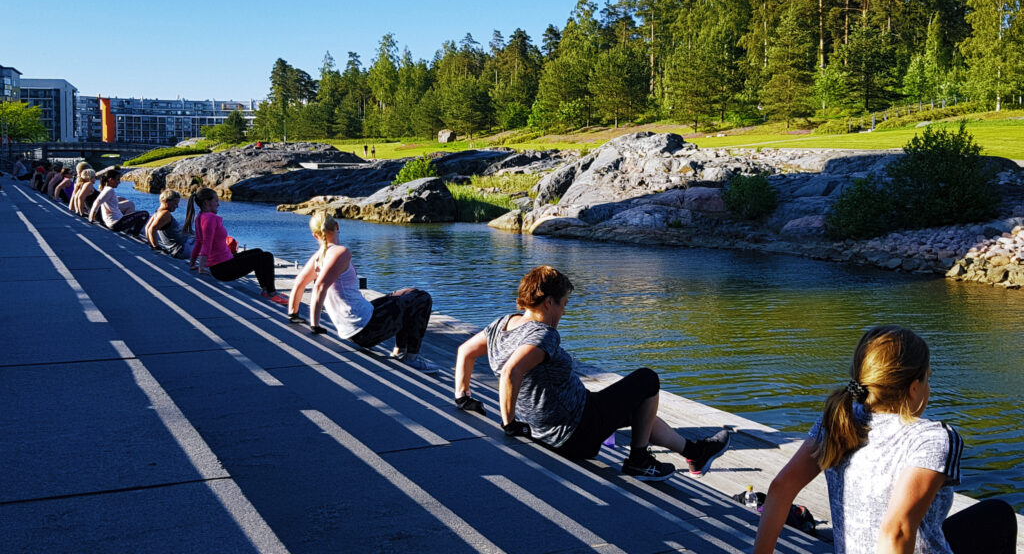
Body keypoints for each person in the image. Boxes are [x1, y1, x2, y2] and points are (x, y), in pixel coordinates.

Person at [753, 326, 1017, 554]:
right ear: (914, 388)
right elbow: (896, 531)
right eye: (928, 378)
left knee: (995, 514)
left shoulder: (836, 419)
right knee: (999, 517)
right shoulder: (933, 438)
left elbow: (780, 488)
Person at [454, 265, 731, 482]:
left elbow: (465, 352)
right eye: (563, 303)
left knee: (638, 409)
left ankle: (695, 454)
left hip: (558, 422)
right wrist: (509, 424)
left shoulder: (502, 326)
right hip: (574, 432)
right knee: (647, 379)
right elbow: (512, 371)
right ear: (548, 302)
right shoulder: (543, 334)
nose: (564, 311)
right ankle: (639, 461)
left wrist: (463, 396)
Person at [287, 212, 439, 373]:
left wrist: (293, 314)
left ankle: (399, 352)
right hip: (365, 330)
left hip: (359, 324)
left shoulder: (319, 257)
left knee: (409, 293)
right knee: (422, 298)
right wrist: (315, 325)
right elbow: (319, 287)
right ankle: (412, 357)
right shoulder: (341, 252)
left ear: (315, 236)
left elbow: (299, 284)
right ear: (337, 226)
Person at [183, 187, 288, 305]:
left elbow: (199, 242)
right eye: (216, 201)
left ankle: (266, 289)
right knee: (266, 256)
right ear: (206, 203)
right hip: (223, 269)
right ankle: (271, 293)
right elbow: (205, 244)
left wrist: (192, 262)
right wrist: (201, 267)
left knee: (258, 252)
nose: (218, 204)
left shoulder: (200, 217)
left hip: (224, 263)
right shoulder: (210, 218)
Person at [88, 169, 149, 235]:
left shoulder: (106, 189)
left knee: (135, 210)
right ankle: (135, 234)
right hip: (116, 223)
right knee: (145, 214)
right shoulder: (109, 190)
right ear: (110, 180)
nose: (119, 182)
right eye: (117, 179)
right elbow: (97, 202)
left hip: (117, 222)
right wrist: (91, 218)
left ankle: (131, 231)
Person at [145, 189, 193, 259]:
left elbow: (147, 228)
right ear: (167, 201)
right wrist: (156, 247)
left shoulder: (157, 212)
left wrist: (151, 245)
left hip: (178, 249)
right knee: (204, 240)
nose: (177, 206)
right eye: (175, 203)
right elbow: (151, 229)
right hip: (181, 250)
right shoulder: (165, 214)